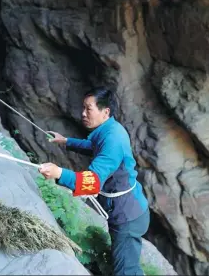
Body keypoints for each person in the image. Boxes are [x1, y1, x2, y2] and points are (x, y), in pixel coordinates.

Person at [39, 87, 150, 275]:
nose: (83, 114)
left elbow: (92, 182)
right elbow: (93, 146)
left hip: (127, 217)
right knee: (126, 265)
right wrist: (66, 141)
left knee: (126, 271)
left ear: (105, 112)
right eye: (83, 108)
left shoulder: (113, 139)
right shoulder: (109, 130)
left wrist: (59, 173)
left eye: (88, 109)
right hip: (128, 210)